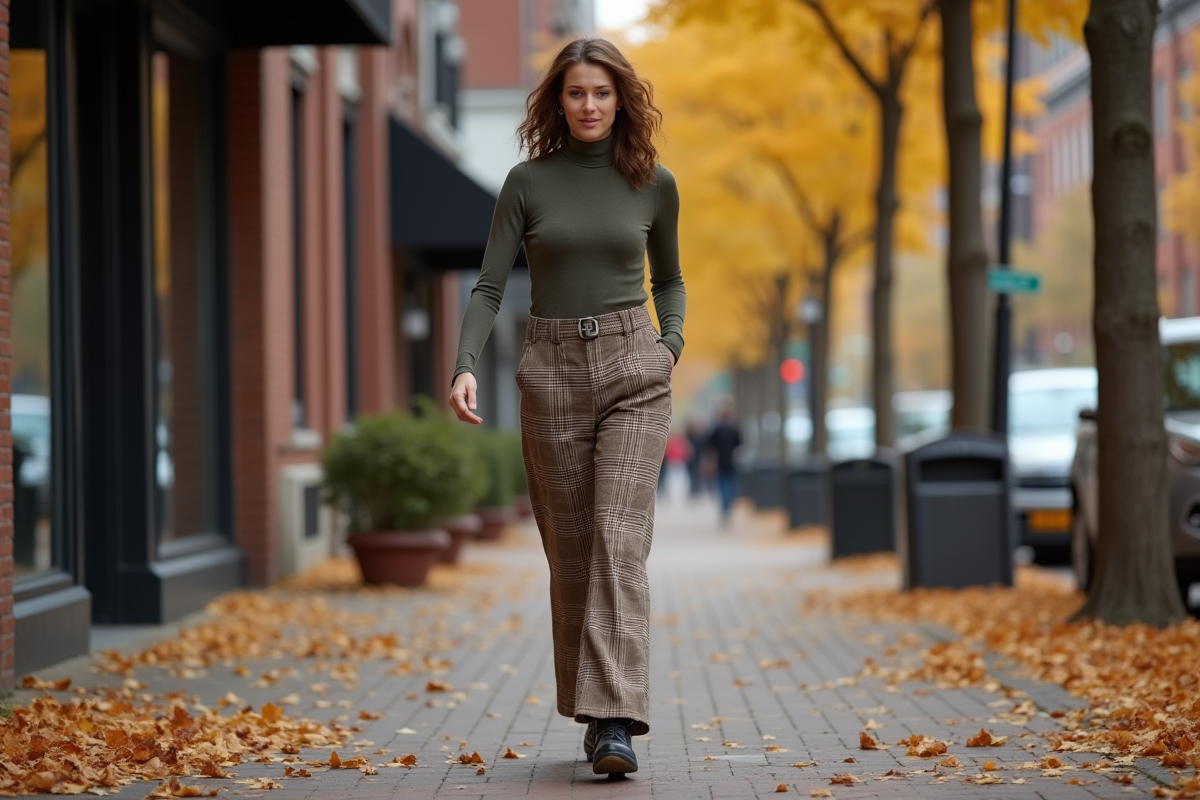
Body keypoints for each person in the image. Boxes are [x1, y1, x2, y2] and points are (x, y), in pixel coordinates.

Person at [448, 37, 685, 777]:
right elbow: (489, 286)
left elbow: (670, 279)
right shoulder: (526, 182)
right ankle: (592, 714)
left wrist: (668, 347)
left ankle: (616, 721)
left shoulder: (653, 183)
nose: (589, 106)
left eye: (603, 93)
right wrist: (463, 365)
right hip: (549, 371)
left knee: (619, 540)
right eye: (577, 93)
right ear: (560, 101)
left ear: (623, 100)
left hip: (632, 368)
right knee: (573, 552)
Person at [707, 404, 742, 527]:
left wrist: (711, 461)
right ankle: (727, 506)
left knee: (722, 487)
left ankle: (725, 507)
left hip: (720, 463)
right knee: (730, 487)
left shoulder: (717, 430)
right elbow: (740, 445)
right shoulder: (734, 430)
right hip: (732, 464)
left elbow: (710, 447)